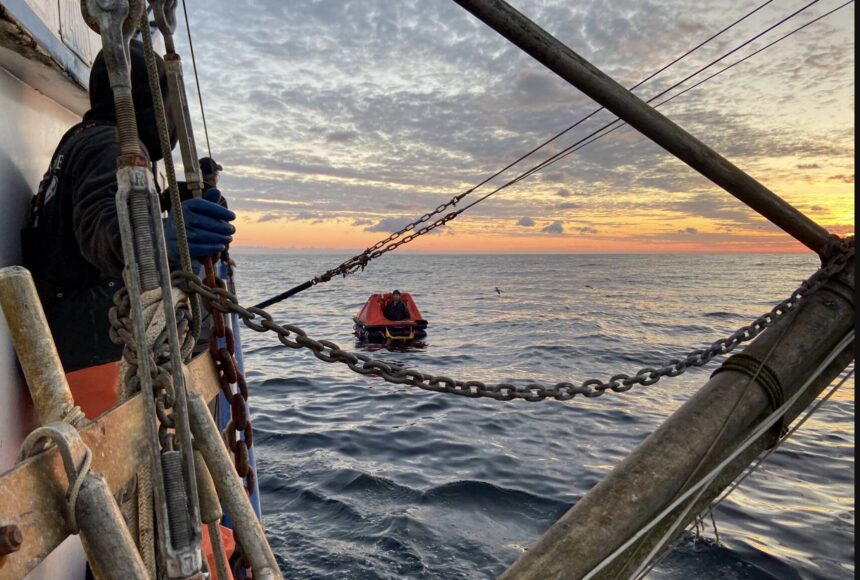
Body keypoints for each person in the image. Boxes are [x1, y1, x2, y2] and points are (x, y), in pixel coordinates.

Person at [22, 40, 236, 419]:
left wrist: (171, 199)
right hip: (97, 359)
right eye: (167, 103)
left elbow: (102, 206)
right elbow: (102, 229)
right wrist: (164, 239)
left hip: (69, 343)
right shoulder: (112, 145)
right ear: (148, 100)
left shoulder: (82, 138)